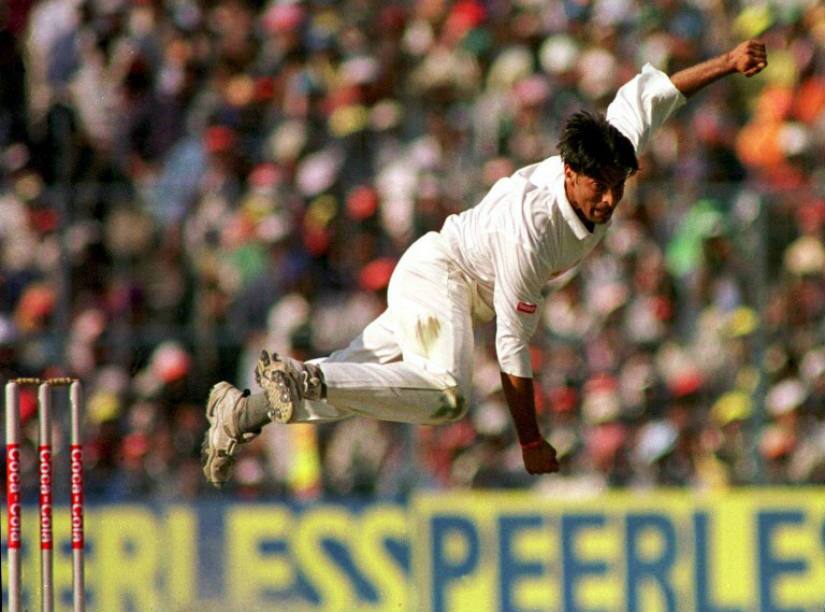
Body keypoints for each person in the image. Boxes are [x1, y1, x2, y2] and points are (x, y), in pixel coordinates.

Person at [201, 40, 768, 488]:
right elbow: (513, 351)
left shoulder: (606, 146)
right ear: (570, 172)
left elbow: (658, 93)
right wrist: (530, 441)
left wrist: (727, 61)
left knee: (364, 387)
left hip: (446, 276)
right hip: (443, 275)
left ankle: (241, 413)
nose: (612, 201)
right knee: (446, 396)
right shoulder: (532, 233)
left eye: (620, 186)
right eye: (601, 187)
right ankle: (309, 373)